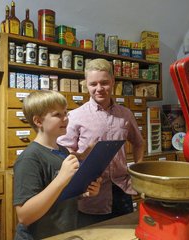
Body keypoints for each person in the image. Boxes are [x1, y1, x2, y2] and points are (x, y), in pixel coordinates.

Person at [57, 58, 144, 227]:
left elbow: (139, 143)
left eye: (104, 83)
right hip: (91, 194)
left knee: (125, 234)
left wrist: (139, 170)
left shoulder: (125, 114)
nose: (99, 89)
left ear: (113, 82)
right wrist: (81, 156)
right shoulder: (76, 116)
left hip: (122, 189)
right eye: (93, 84)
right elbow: (62, 153)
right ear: (86, 85)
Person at [13, 90, 101, 240]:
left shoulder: (63, 151)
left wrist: (84, 193)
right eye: (57, 115)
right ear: (38, 121)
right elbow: (24, 216)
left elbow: (60, 196)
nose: (65, 118)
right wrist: (61, 179)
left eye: (65, 113)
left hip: (63, 233)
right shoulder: (30, 159)